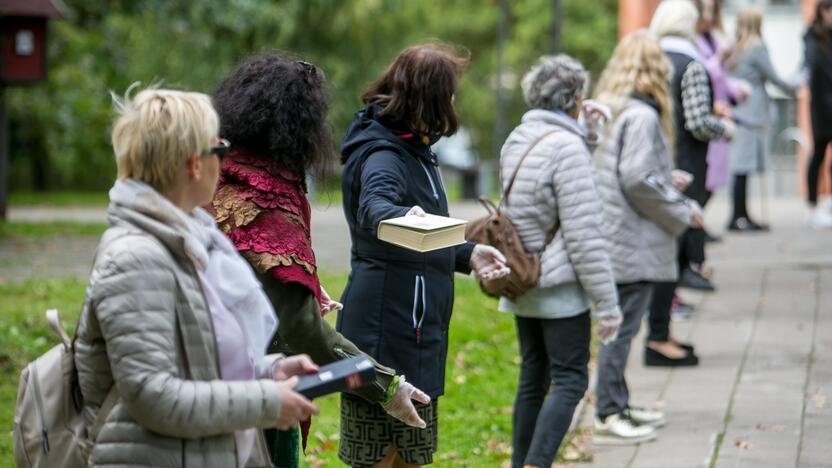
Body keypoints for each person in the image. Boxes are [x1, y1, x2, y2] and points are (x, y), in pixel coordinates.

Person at [73, 87, 320, 467]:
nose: (225, 162)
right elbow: (152, 395)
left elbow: (196, 355)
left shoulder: (189, 240)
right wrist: (265, 402)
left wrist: (267, 371)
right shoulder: (137, 258)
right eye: (219, 149)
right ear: (194, 164)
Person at [210, 53, 432, 467]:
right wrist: (386, 386)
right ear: (300, 124)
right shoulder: (268, 200)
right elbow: (304, 331)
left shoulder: (220, 172)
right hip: (250, 401)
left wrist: (301, 282)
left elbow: (245, 274)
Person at [337, 43, 510, 467]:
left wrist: (467, 254)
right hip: (385, 331)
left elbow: (421, 236)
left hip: (415, 331)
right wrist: (400, 212)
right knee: (378, 458)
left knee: (410, 458)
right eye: (449, 92)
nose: (453, 102)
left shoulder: (414, 148)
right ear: (429, 97)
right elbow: (375, 209)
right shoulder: (384, 154)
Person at [497, 54, 622, 467]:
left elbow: (541, 197)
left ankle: (522, 462)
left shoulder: (519, 137)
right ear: (576, 97)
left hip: (524, 276)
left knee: (534, 377)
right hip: (561, 288)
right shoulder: (567, 149)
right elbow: (585, 236)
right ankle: (537, 463)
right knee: (570, 379)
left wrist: (586, 134)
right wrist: (607, 304)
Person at [593, 30, 702, 444]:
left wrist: (663, 179)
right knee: (620, 329)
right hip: (630, 239)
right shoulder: (642, 115)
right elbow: (636, 178)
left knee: (617, 325)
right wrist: (681, 209)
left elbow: (625, 172)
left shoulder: (611, 107)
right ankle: (608, 411)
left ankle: (617, 403)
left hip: (613, 231)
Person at [645, 0, 733, 366]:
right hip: (684, 167)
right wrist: (724, 128)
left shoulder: (649, 60)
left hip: (651, 165)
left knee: (662, 252)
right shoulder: (690, 64)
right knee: (674, 254)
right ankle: (659, 339)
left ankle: (661, 332)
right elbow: (698, 123)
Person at [727, 6, 799, 231]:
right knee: (743, 167)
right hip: (752, 114)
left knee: (741, 167)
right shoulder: (756, 48)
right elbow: (774, 77)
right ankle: (738, 217)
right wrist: (796, 87)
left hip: (738, 112)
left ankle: (741, 215)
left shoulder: (734, 48)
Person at [693, 0, 749, 234]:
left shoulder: (712, 37)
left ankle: (698, 226)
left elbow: (720, 77)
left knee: (712, 177)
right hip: (703, 110)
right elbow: (702, 72)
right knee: (701, 175)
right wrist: (719, 57)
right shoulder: (692, 40)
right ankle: (695, 228)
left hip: (719, 111)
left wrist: (736, 90)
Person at [804, 0, 832, 229]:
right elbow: (813, 71)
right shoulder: (813, 38)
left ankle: (828, 201)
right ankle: (812, 206)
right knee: (818, 156)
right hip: (822, 109)